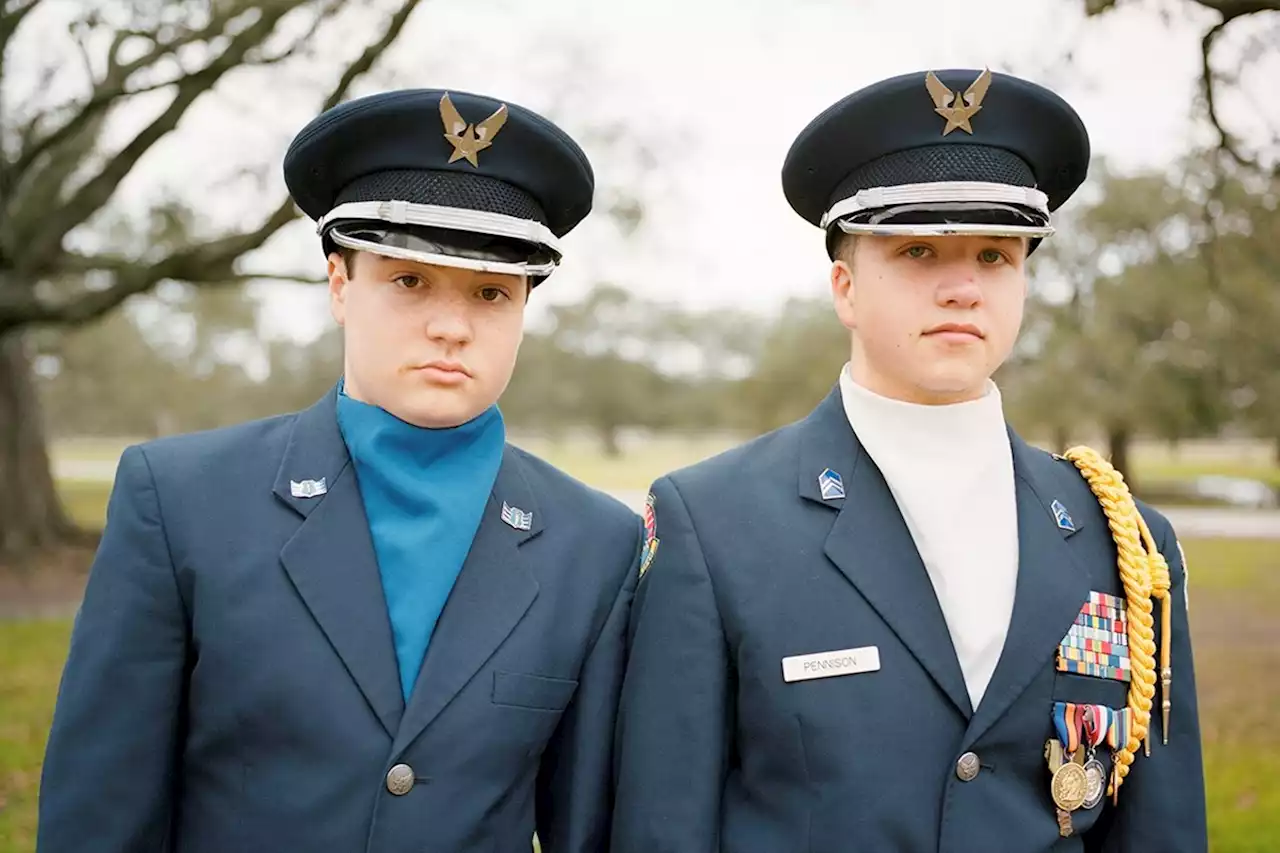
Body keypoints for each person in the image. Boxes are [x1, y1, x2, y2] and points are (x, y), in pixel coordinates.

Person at [610, 68, 1206, 852]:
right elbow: (664, 827)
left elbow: (1159, 831)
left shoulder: (1124, 540)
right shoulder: (715, 525)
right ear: (846, 288)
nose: (963, 287)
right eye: (920, 250)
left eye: (995, 256)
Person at [38, 88, 643, 853]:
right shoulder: (183, 500)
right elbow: (100, 811)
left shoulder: (596, 543)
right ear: (339, 286)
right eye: (408, 280)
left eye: (491, 292)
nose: (451, 326)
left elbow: (585, 826)